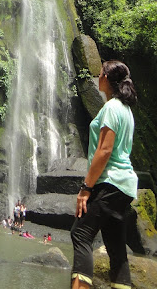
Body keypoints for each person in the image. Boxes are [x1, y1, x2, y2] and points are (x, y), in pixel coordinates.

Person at [70, 60, 138, 289]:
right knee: (116, 248)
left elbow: (105, 150)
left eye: (100, 73)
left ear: (107, 79)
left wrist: (86, 187)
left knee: (80, 235)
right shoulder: (126, 110)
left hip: (109, 182)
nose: (97, 77)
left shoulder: (111, 108)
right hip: (125, 186)